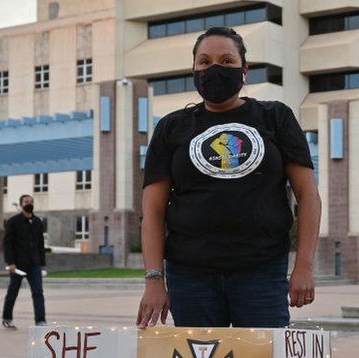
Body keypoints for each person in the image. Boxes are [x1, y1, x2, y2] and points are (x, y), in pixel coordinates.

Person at [137, 26, 321, 329]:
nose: (215, 69)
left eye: (226, 61)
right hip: (190, 277)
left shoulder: (276, 117)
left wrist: (303, 266)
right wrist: (154, 280)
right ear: (194, 70)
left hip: (261, 272)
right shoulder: (172, 128)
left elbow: (308, 196)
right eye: (205, 62)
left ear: (244, 70)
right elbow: (153, 212)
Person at [2, 194, 47, 329]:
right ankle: (7, 318)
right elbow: (7, 244)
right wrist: (10, 262)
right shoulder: (13, 222)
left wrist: (42, 263)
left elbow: (40, 244)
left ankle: (40, 321)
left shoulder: (38, 222)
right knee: (13, 292)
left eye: (31, 202)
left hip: (34, 264)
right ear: (21, 204)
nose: (29, 204)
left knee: (38, 292)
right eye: (26, 202)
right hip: (18, 264)